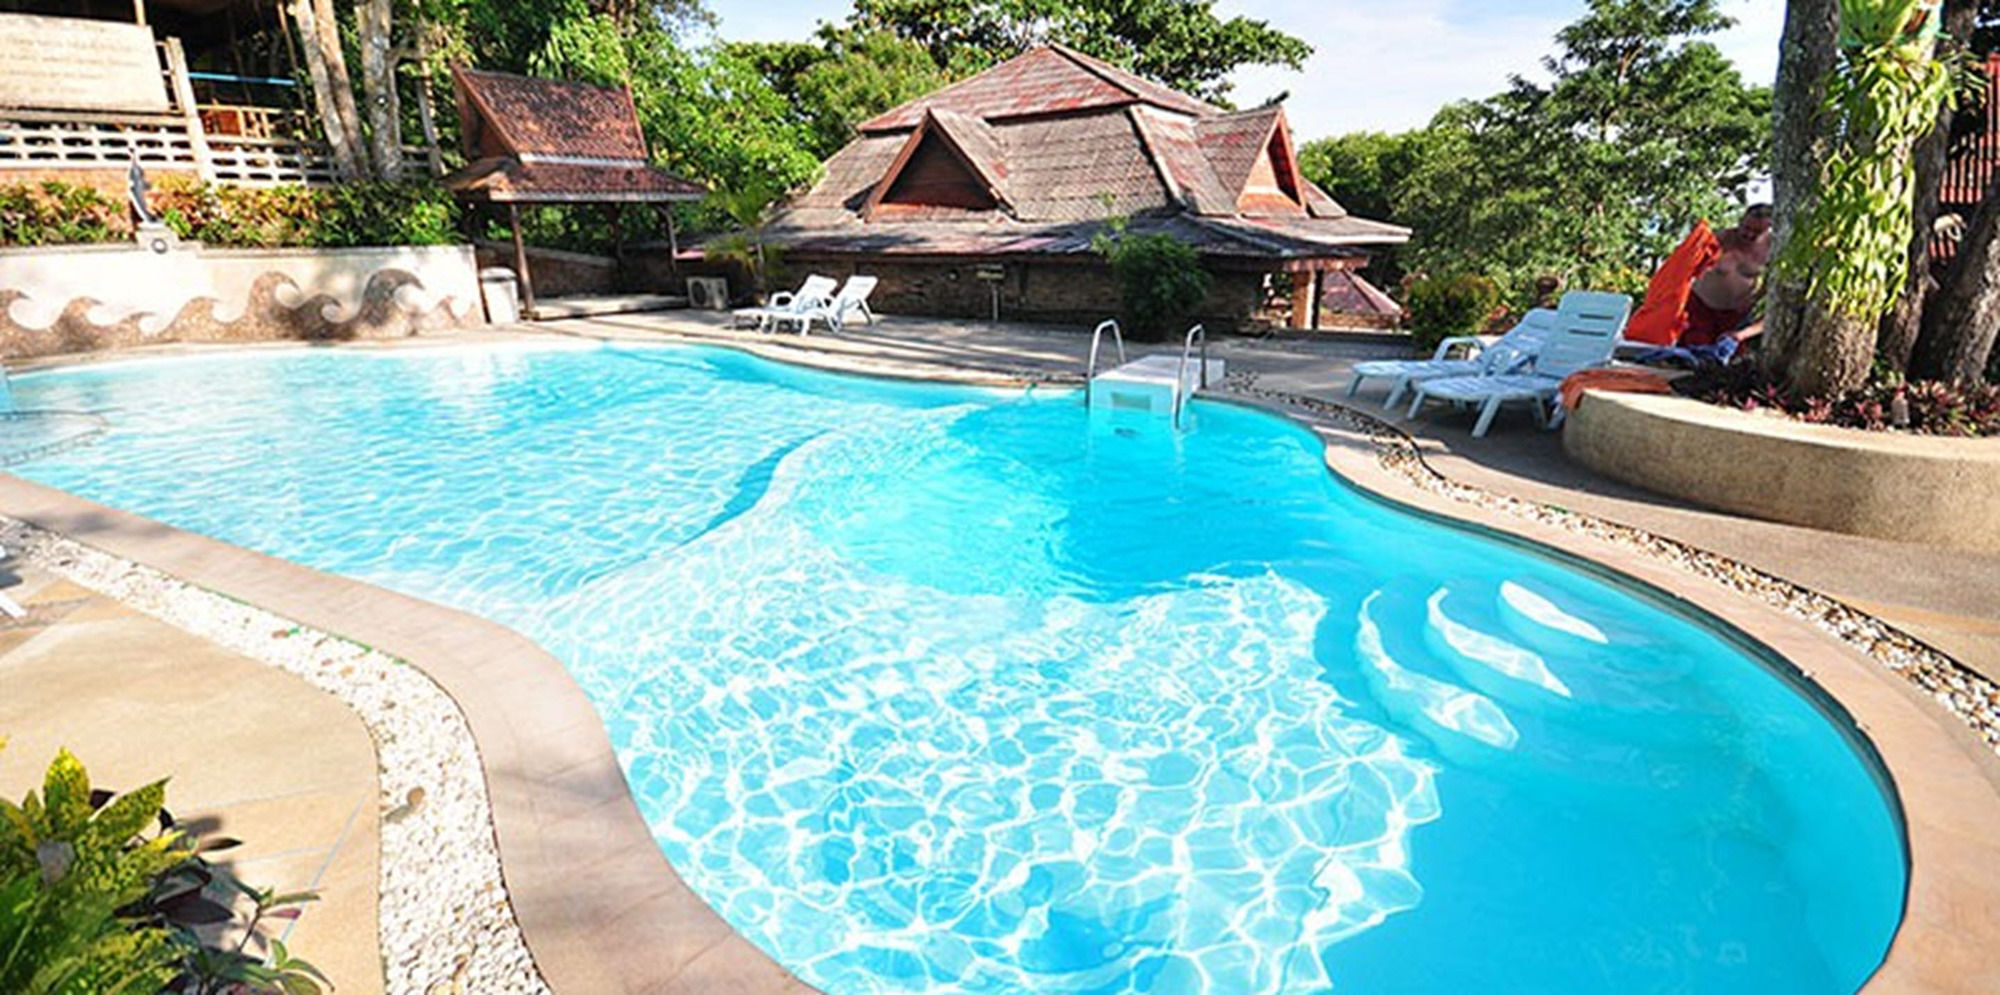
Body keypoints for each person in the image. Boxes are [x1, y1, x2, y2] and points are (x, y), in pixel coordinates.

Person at [1680, 203, 1771, 350]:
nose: (1749, 234)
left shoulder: (1771, 248)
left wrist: (1755, 299)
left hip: (1736, 317)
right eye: (1746, 228)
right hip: (1701, 308)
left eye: (1757, 232)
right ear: (1740, 221)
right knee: (1695, 356)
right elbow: (1683, 269)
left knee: (1729, 364)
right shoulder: (1719, 239)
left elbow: (1773, 289)